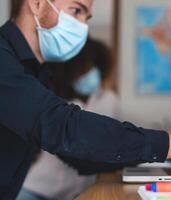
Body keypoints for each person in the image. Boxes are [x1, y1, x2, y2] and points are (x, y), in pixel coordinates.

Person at [0, 0, 171, 199]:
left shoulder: (36, 73)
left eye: (87, 18)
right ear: (36, 3)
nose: (82, 28)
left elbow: (79, 154)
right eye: (76, 10)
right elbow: (65, 128)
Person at [17, 38, 120, 200]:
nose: (87, 74)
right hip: (38, 188)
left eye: (91, 68)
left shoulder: (109, 99)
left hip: (77, 192)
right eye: (82, 70)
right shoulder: (56, 102)